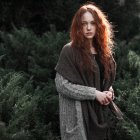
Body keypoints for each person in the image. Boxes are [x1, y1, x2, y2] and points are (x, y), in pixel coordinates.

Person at [55, 2, 116, 140]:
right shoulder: (69, 51)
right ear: (78, 26)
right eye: (84, 24)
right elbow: (61, 85)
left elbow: (105, 81)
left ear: (99, 25)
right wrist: (94, 94)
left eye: (93, 23)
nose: (88, 27)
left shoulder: (104, 52)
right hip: (79, 117)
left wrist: (109, 92)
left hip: (101, 115)